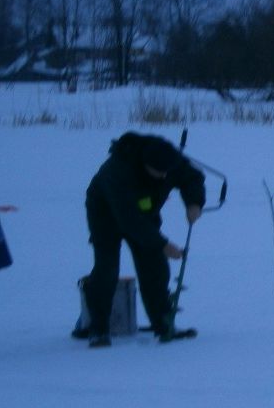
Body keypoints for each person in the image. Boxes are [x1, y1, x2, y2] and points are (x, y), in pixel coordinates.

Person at [81, 132, 205, 347]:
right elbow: (129, 219)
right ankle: (98, 329)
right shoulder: (118, 170)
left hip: (144, 211)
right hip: (105, 214)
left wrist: (194, 203)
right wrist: (162, 244)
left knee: (155, 267)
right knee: (107, 268)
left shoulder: (170, 161)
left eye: (167, 172)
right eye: (159, 172)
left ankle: (163, 323)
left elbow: (192, 178)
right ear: (145, 164)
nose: (164, 176)